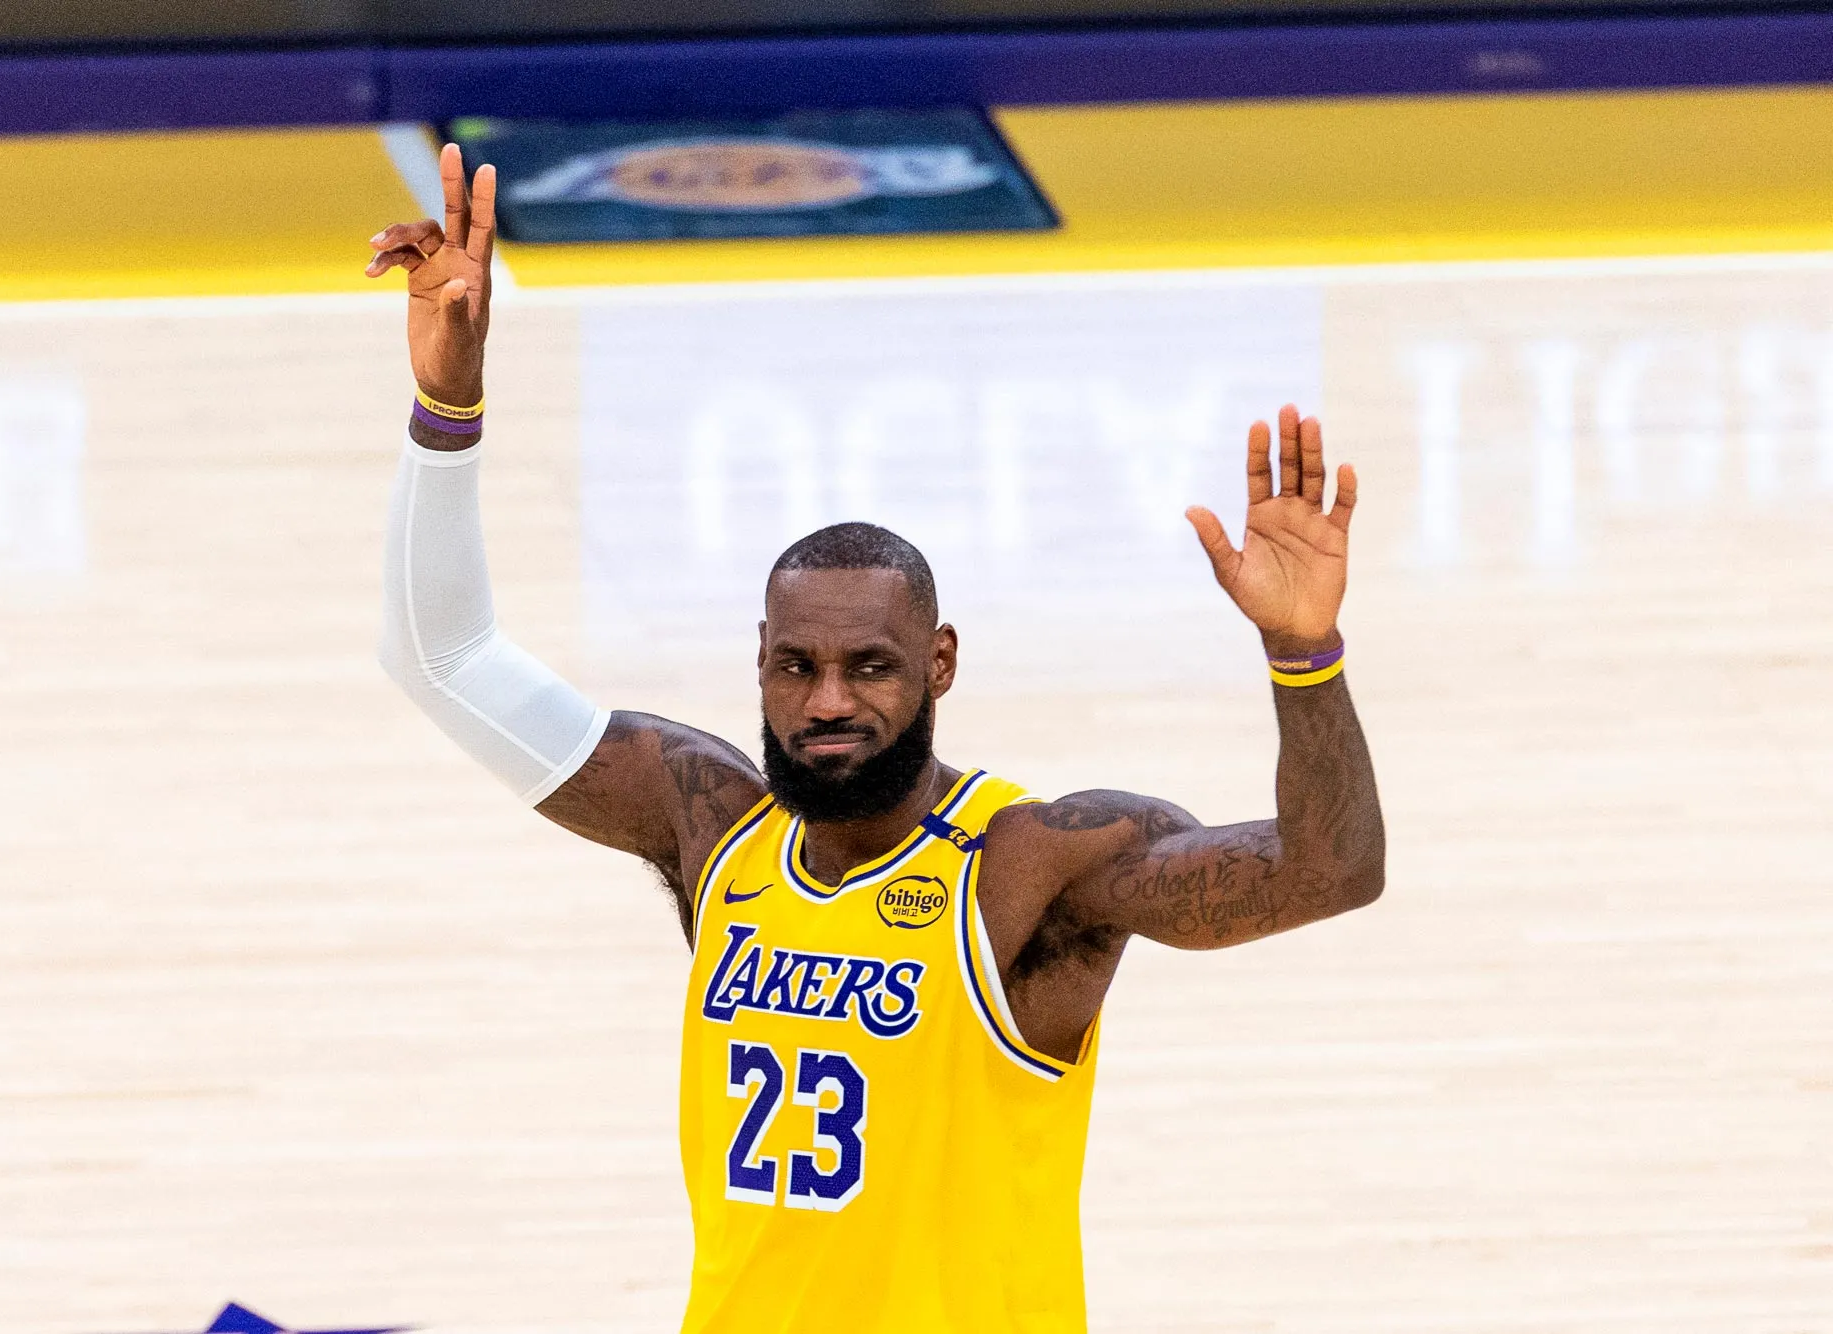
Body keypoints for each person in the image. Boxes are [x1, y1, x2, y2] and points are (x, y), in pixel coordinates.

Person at [368, 146, 1385, 1333]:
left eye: (870, 667)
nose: (829, 701)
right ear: (759, 662)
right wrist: (447, 404)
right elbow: (442, 657)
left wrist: (1301, 655)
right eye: (797, 666)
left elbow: (1329, 870)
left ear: (938, 666)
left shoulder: (1032, 865)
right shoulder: (712, 825)